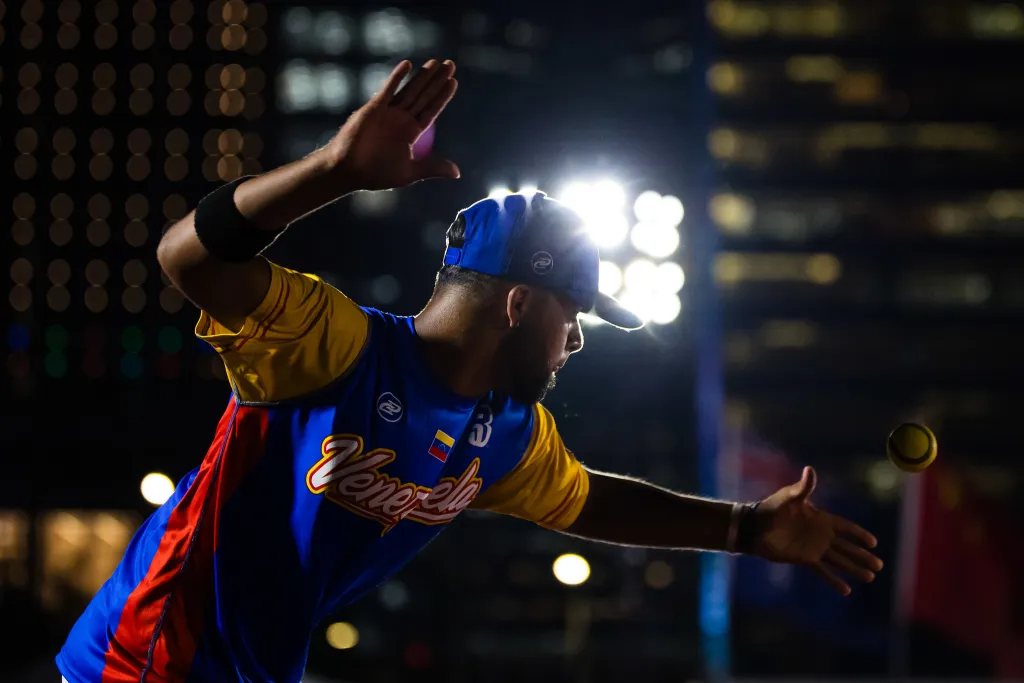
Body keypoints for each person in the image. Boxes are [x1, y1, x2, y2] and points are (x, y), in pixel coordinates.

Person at [56, 59, 882, 683]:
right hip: (140, 657)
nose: (577, 341)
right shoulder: (338, 349)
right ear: (519, 303)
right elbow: (187, 257)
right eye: (574, 314)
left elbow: (589, 498)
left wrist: (744, 528)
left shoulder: (502, 429)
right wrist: (333, 172)